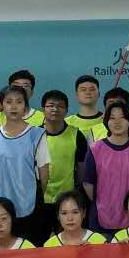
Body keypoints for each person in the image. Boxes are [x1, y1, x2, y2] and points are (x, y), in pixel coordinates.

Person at [0, 85, 50, 244]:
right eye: (9, 102)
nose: (14, 106)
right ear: (2, 105)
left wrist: (33, 194)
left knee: (30, 249)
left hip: (30, 204)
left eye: (19, 102)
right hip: (0, 205)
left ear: (25, 106)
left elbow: (44, 172)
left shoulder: (36, 134)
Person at [82, 101, 129, 236]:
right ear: (106, 122)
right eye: (112, 118)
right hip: (101, 218)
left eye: (122, 117)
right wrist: (104, 200)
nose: (117, 122)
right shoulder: (95, 149)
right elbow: (88, 185)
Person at [39, 89, 87, 238]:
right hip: (40, 201)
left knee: (69, 241)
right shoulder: (34, 135)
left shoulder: (76, 134)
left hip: (67, 201)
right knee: (40, 242)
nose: (55, 109)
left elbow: (81, 169)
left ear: (66, 111)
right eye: (50, 105)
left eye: (60, 106)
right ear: (43, 109)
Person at [67, 75, 106, 140]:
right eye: (83, 90)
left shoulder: (108, 121)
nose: (88, 92)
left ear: (99, 94)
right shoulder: (67, 123)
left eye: (92, 89)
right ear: (76, 95)